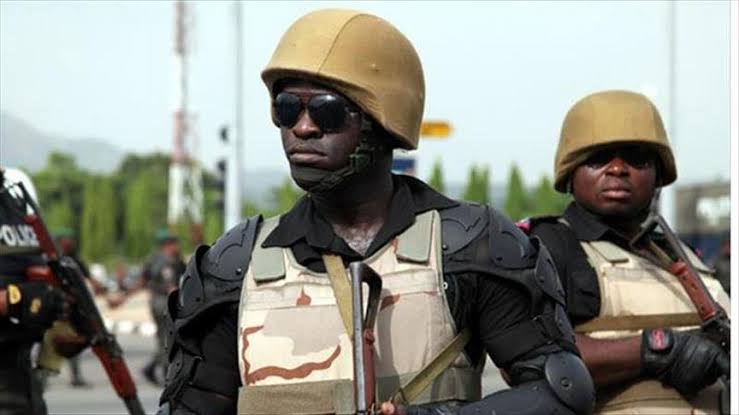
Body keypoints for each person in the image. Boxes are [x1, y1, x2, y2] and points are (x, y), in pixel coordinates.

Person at [158, 9, 594, 415]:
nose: (303, 127)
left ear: (384, 120)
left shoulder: (470, 245)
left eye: (327, 111)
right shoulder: (235, 266)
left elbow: (560, 391)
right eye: (287, 108)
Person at [523, 90, 731, 414]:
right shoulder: (551, 246)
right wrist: (657, 350)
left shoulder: (679, 254)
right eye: (598, 158)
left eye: (636, 158)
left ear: (658, 173)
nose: (618, 169)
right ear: (571, 173)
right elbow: (531, 358)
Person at [0, 167, 86, 415]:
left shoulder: (14, 192)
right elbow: (19, 298)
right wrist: (13, 300)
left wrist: (65, 323)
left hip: (20, 380)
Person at [125, 229, 185, 385]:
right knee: (168, 338)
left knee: (163, 337)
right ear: (167, 245)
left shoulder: (151, 259)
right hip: (165, 302)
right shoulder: (169, 261)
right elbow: (171, 285)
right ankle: (165, 373)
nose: (177, 247)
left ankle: (151, 369)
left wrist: (123, 297)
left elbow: (141, 281)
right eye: (174, 243)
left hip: (154, 302)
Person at [53, 228, 102, 388]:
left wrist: (101, 290)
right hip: (54, 305)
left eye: (71, 240)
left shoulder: (74, 260)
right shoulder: (52, 259)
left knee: (73, 340)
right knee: (47, 342)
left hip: (73, 307)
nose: (70, 243)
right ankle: (41, 378)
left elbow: (89, 277)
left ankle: (75, 376)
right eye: (66, 240)